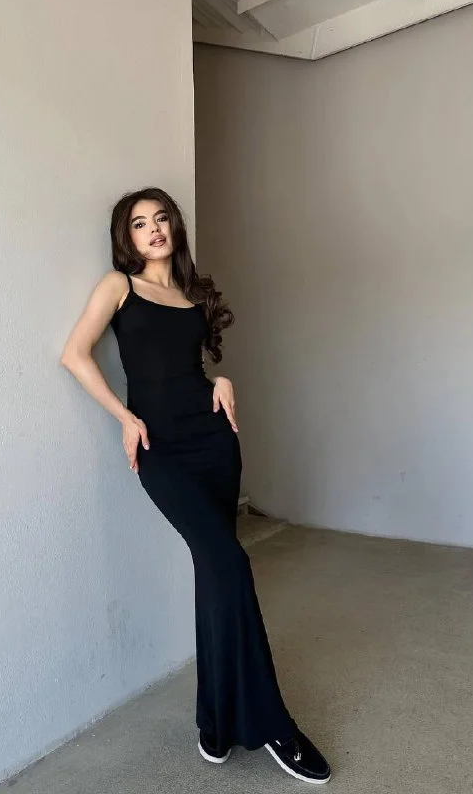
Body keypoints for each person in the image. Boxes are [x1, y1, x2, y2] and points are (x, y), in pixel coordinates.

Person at [59, 187, 331, 785]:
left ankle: (214, 718)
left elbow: (190, 369)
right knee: (230, 562)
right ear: (126, 237)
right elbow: (75, 355)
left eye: (161, 219)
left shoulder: (193, 295)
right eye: (139, 223)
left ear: (175, 227)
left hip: (213, 443)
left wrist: (222, 380)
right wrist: (124, 417)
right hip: (160, 448)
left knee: (214, 574)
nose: (153, 229)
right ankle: (274, 725)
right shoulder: (119, 287)